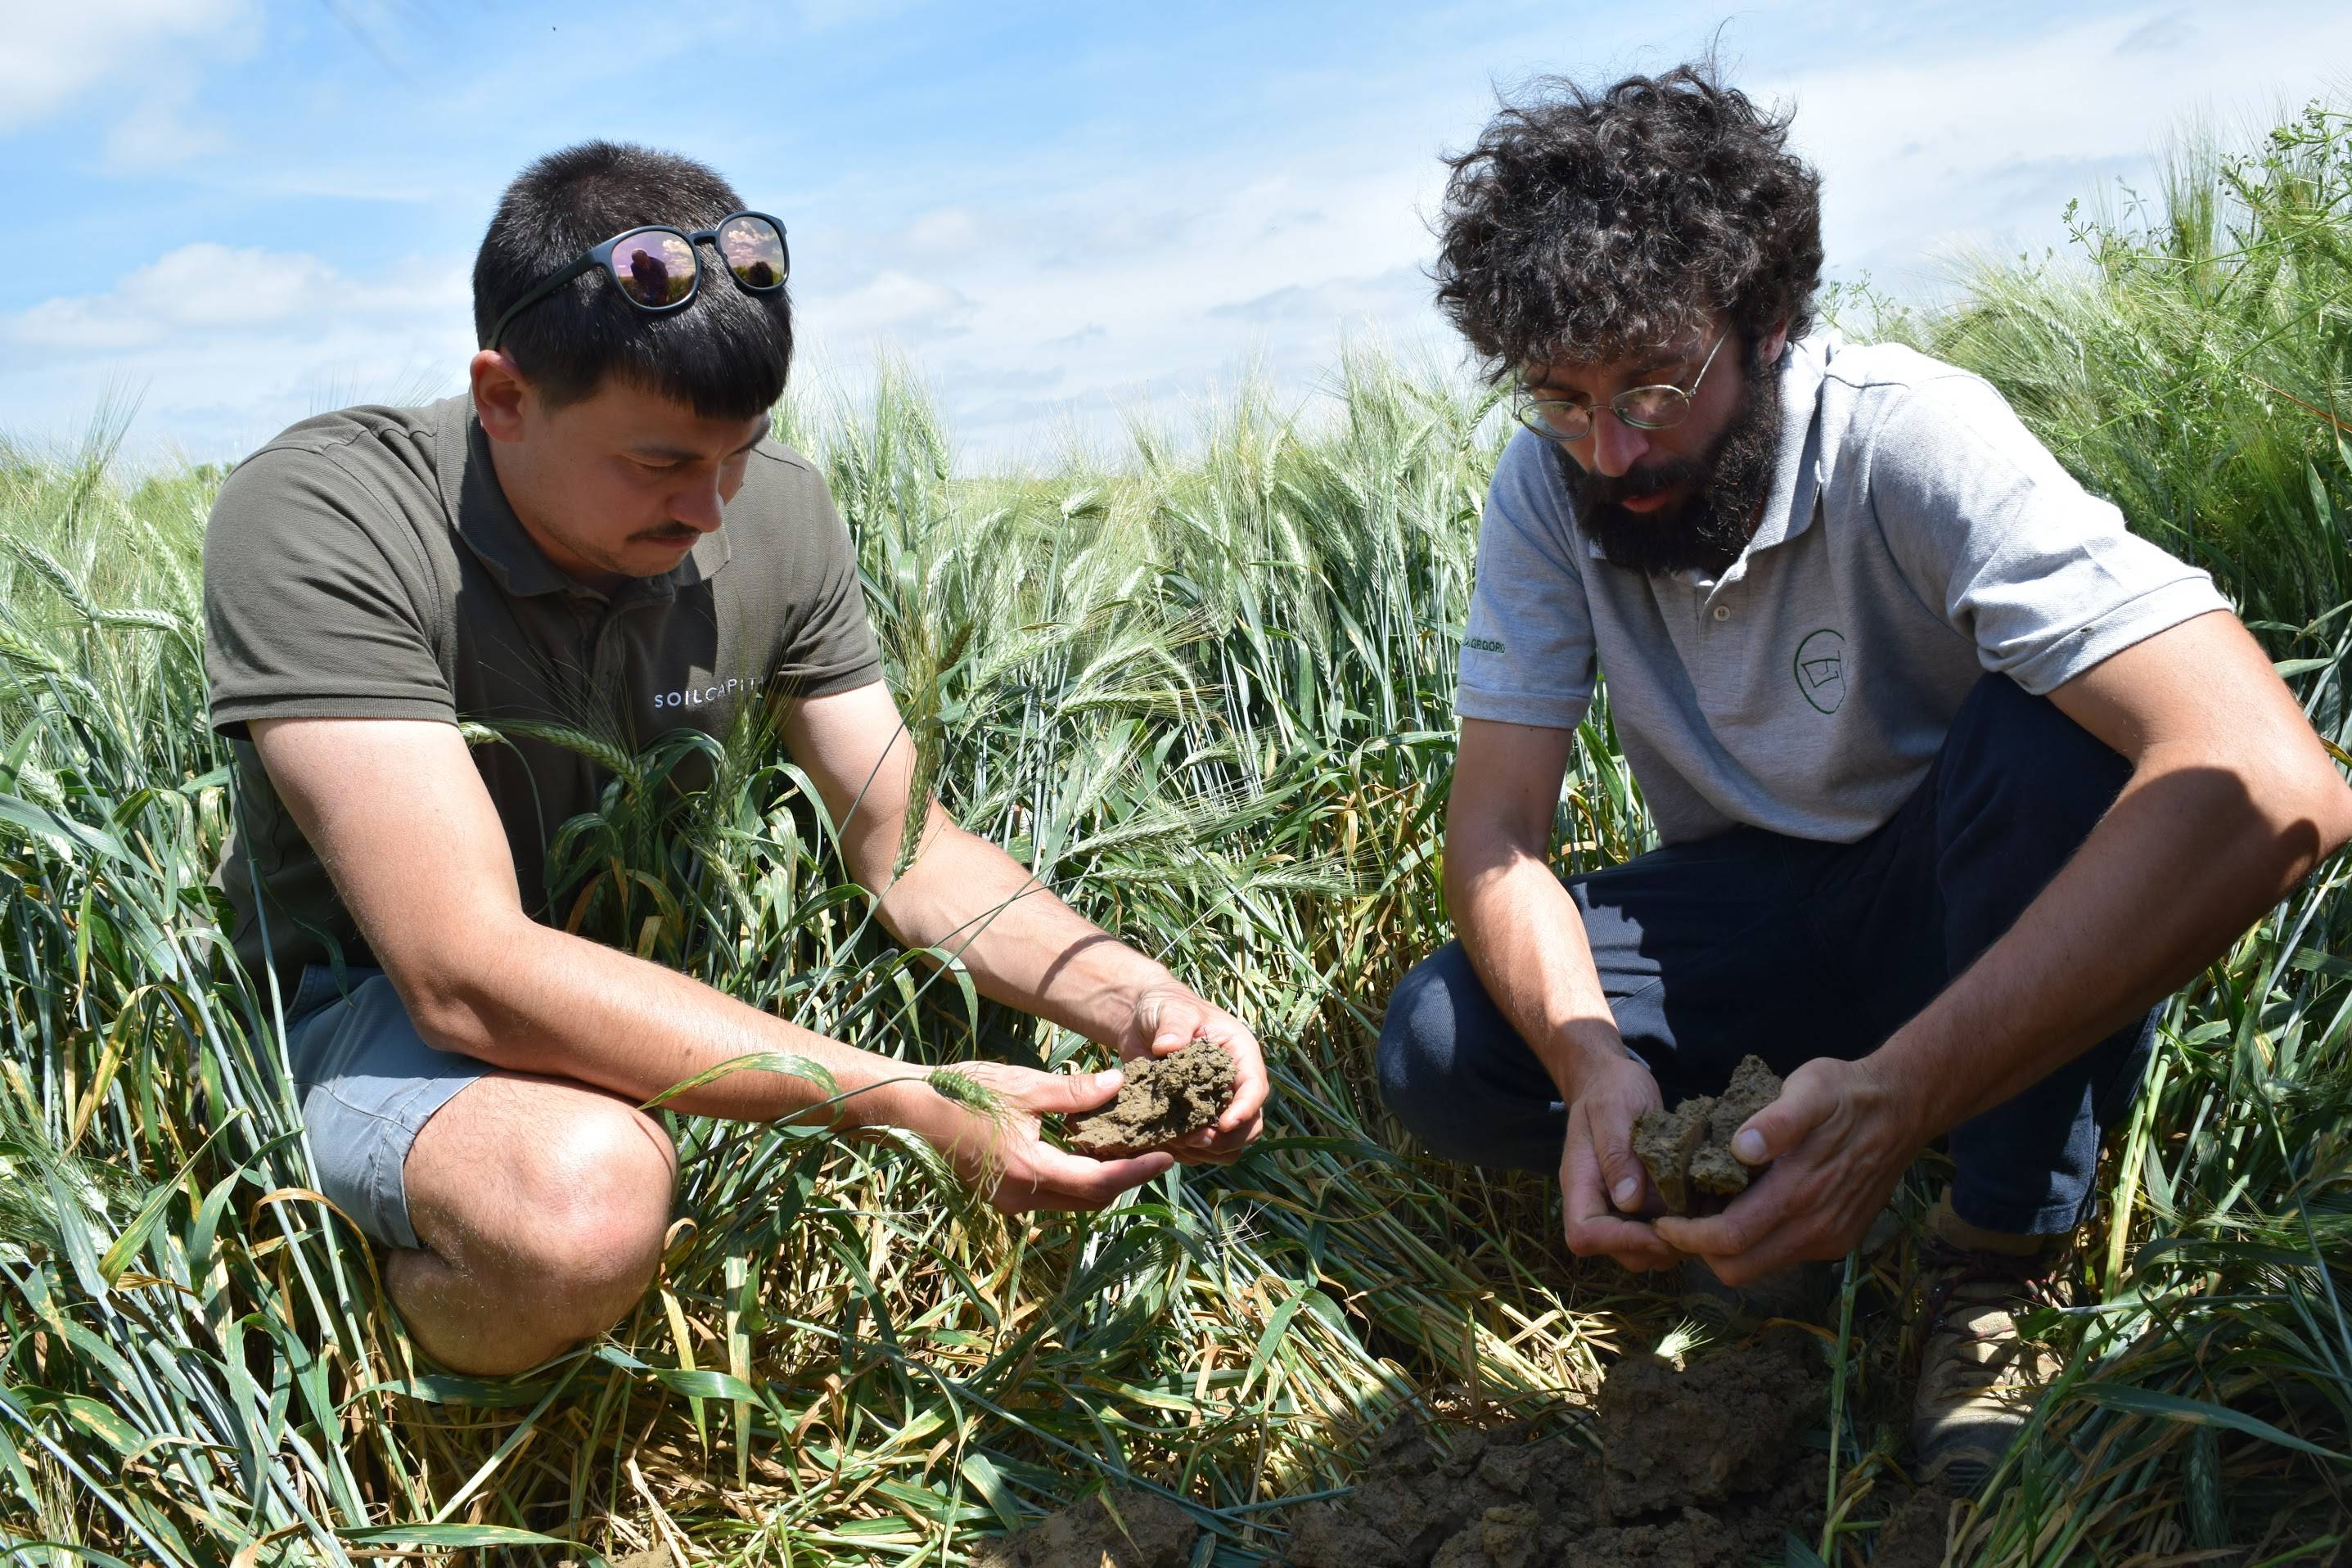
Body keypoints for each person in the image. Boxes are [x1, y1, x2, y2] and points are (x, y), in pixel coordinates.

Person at [1378, 65, 2352, 1486]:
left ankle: (1994, 1255)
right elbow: (1498, 836)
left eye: (1654, 385)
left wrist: (1902, 1098)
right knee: (1441, 1046)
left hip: (1967, 888)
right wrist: (1591, 1062)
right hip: (1762, 896)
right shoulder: (1550, 486)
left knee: (2051, 740)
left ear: (1766, 324)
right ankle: (1756, 1176)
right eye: (1563, 400)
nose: (1615, 450)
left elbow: (2277, 784)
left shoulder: (1905, 436)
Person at [202, 142, 1267, 1377]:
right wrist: (899, 1100)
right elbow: (461, 972)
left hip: (654, 979)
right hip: (366, 1002)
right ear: (502, 398)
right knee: (578, 1204)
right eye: (658, 463)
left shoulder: (777, 512)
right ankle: (397, 1383)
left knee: (610, 1159)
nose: (712, 511)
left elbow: (906, 851)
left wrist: (1128, 995)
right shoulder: (325, 514)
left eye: (740, 452)